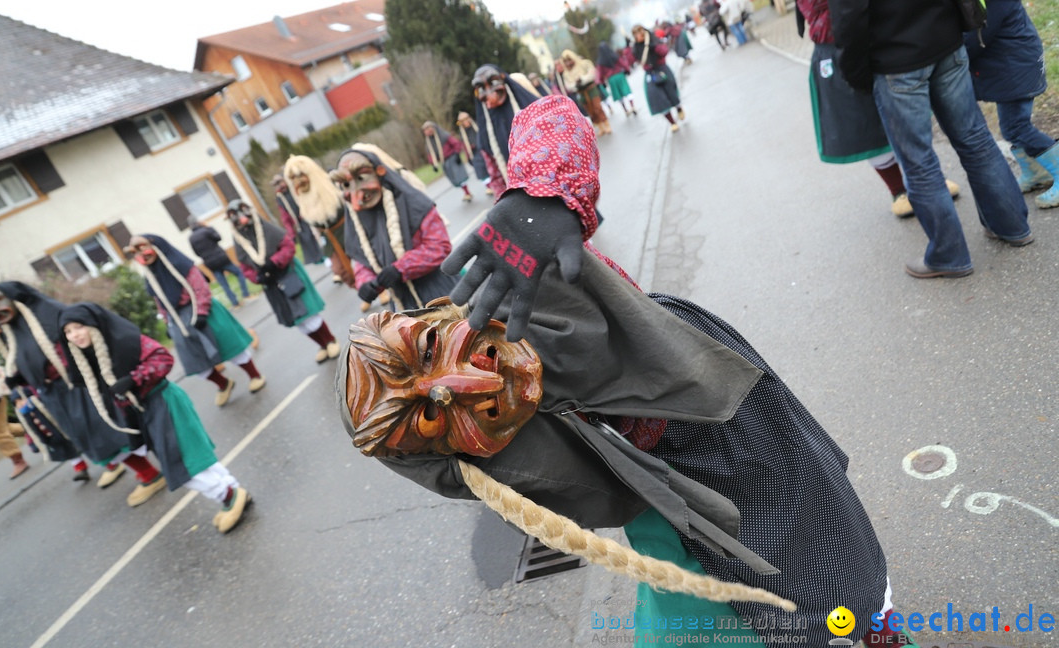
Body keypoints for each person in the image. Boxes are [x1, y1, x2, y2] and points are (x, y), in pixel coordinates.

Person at [340, 96, 912, 646]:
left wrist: (544, 190)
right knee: (757, 600)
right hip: (669, 494)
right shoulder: (494, 461)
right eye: (427, 410)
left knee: (832, 532)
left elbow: (553, 115)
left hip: (727, 410)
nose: (455, 384)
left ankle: (880, 627)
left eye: (424, 354)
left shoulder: (533, 290)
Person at [824, 0, 1032, 278]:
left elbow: (848, 7)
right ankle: (1012, 226)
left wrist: (857, 72)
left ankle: (950, 255)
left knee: (919, 163)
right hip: (945, 37)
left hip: (894, 59)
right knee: (976, 139)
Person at [791, 0, 961, 217]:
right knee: (868, 130)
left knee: (906, 122)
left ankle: (925, 182)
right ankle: (899, 190)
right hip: (841, 60)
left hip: (876, 49)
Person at [60, 303, 251, 533]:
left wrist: (133, 378)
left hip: (162, 401)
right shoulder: (87, 359)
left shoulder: (124, 340)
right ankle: (232, 490)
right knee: (192, 457)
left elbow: (163, 358)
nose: (74, 335)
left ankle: (229, 495)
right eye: (68, 332)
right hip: (145, 411)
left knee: (181, 463)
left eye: (78, 327)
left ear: (93, 324)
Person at [0, 283, 165, 506]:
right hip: (54, 394)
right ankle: (146, 472)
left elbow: (69, 346)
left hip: (76, 386)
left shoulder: (47, 312)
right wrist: (20, 377)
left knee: (107, 435)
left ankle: (151, 474)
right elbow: (30, 356)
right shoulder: (14, 329)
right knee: (93, 439)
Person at [963, 0, 1059, 206]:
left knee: (1017, 127)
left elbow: (975, 39)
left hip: (1016, 68)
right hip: (1013, 67)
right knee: (1012, 126)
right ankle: (1034, 172)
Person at [125, 234, 264, 405]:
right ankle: (223, 384)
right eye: (136, 251)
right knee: (195, 361)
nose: (142, 254)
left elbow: (200, 286)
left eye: (143, 247)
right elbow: (160, 301)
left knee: (230, 347)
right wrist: (168, 322)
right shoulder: (151, 276)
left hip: (202, 310)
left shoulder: (181, 264)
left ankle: (255, 375)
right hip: (178, 320)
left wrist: (202, 312)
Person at [331, 145, 457, 312]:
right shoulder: (357, 218)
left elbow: (439, 246)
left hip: (442, 294)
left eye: (361, 178)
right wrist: (366, 282)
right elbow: (363, 260)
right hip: (402, 306)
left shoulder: (413, 203)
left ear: (380, 172)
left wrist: (400, 268)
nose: (357, 195)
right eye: (347, 184)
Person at [226, 199, 341, 363]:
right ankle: (322, 345)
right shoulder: (239, 241)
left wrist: (273, 262)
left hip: (287, 274)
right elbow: (245, 268)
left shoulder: (267, 229)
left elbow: (288, 246)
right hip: (271, 284)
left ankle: (330, 340)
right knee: (297, 321)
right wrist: (258, 277)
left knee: (307, 314)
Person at [282, 155, 356, 288]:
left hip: (346, 227)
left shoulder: (330, 184)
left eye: (300, 175)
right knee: (339, 270)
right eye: (293, 178)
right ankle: (363, 290)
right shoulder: (302, 199)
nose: (298, 181)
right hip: (328, 236)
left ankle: (379, 290)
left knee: (363, 259)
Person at [471, 64, 540, 199]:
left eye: (493, 83)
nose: (489, 93)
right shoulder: (486, 131)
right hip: (522, 195)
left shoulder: (534, 110)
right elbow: (495, 173)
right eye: (482, 88)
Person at [187, 216, 250, 309]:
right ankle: (245, 294)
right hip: (221, 258)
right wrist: (208, 227)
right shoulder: (206, 230)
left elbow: (196, 253)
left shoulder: (191, 238)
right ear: (198, 222)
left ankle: (235, 303)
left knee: (224, 284)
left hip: (210, 263)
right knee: (239, 272)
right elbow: (218, 237)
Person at [631, 25, 685, 132]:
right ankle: (672, 122)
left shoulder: (654, 41)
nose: (638, 36)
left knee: (672, 93)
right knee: (659, 99)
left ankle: (679, 108)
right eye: (635, 34)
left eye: (639, 33)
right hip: (650, 74)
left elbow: (664, 51)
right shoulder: (636, 47)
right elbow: (634, 59)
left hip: (662, 69)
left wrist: (653, 47)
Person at [272, 174, 325, 265]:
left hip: (307, 215)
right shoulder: (280, 198)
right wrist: (290, 231)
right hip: (298, 223)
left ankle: (323, 253)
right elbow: (285, 216)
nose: (280, 186)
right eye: (277, 184)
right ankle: (316, 258)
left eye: (281, 182)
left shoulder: (294, 190)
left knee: (316, 234)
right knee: (307, 239)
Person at [559, 49, 611, 136]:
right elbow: (568, 85)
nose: (568, 63)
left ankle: (606, 124)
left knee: (597, 107)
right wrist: (575, 84)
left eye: (569, 60)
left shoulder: (584, 63)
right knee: (590, 111)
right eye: (566, 61)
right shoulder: (566, 73)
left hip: (590, 88)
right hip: (581, 92)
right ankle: (600, 127)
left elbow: (592, 74)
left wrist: (582, 79)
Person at [421, 121, 475, 202]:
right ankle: (466, 192)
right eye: (425, 130)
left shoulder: (444, 136)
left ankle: (467, 192)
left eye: (429, 128)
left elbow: (456, 143)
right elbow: (431, 155)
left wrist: (457, 153)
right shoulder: (429, 143)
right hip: (444, 162)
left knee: (459, 176)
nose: (428, 131)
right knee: (454, 179)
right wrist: (434, 164)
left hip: (452, 158)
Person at [455, 112, 494, 196]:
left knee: (491, 167)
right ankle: (489, 187)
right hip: (474, 154)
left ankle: (496, 184)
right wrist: (468, 157)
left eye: (466, 119)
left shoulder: (477, 126)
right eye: (463, 121)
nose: (465, 122)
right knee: (481, 171)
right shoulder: (463, 133)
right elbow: (464, 146)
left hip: (483, 150)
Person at [596, 41, 637, 117]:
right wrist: (627, 70)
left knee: (619, 95)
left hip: (611, 80)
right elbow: (622, 63)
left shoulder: (600, 62)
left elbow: (599, 73)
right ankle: (632, 106)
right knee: (627, 91)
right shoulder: (614, 56)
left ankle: (626, 110)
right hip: (620, 76)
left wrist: (601, 82)